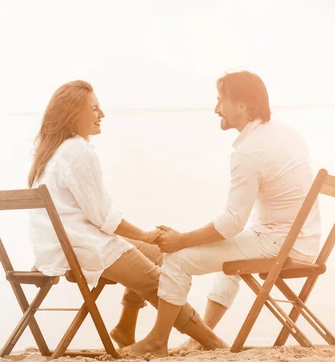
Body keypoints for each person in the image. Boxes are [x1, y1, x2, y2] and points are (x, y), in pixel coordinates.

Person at [122, 71, 321, 357]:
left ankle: (157, 339)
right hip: (302, 241)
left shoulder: (249, 152)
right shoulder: (286, 133)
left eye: (220, 101)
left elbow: (230, 223)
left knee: (177, 260)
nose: (216, 109)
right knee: (233, 252)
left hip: (281, 244)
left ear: (243, 106)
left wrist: (181, 240)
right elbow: (234, 227)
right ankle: (201, 338)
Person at [27, 79, 226, 352]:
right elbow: (104, 218)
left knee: (164, 256)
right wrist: (144, 234)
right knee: (161, 282)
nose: (102, 115)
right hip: (85, 247)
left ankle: (125, 326)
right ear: (73, 115)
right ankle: (213, 342)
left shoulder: (52, 153)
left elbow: (95, 216)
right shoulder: (77, 152)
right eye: (94, 109)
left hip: (67, 245)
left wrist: (144, 239)